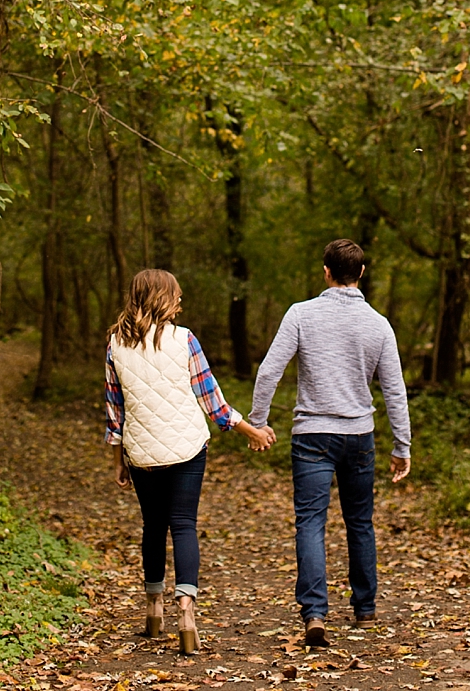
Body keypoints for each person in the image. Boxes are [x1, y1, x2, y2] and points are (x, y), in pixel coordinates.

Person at [248, 239, 411, 648]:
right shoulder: (379, 324)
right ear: (362, 273)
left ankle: (315, 613)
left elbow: (270, 371)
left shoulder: (301, 314)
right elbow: (394, 391)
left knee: (311, 522)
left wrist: (257, 422)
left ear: (325, 271)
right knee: (359, 522)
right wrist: (401, 446)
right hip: (359, 436)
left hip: (312, 436)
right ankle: (365, 608)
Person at [105, 268, 274, 655]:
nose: (181, 301)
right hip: (186, 450)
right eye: (176, 295)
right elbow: (213, 405)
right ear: (161, 298)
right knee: (183, 525)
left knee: (152, 527)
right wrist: (253, 432)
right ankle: (186, 612)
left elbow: (115, 414)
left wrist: (117, 460)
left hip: (142, 453)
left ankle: (152, 610)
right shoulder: (184, 341)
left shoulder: (115, 345)